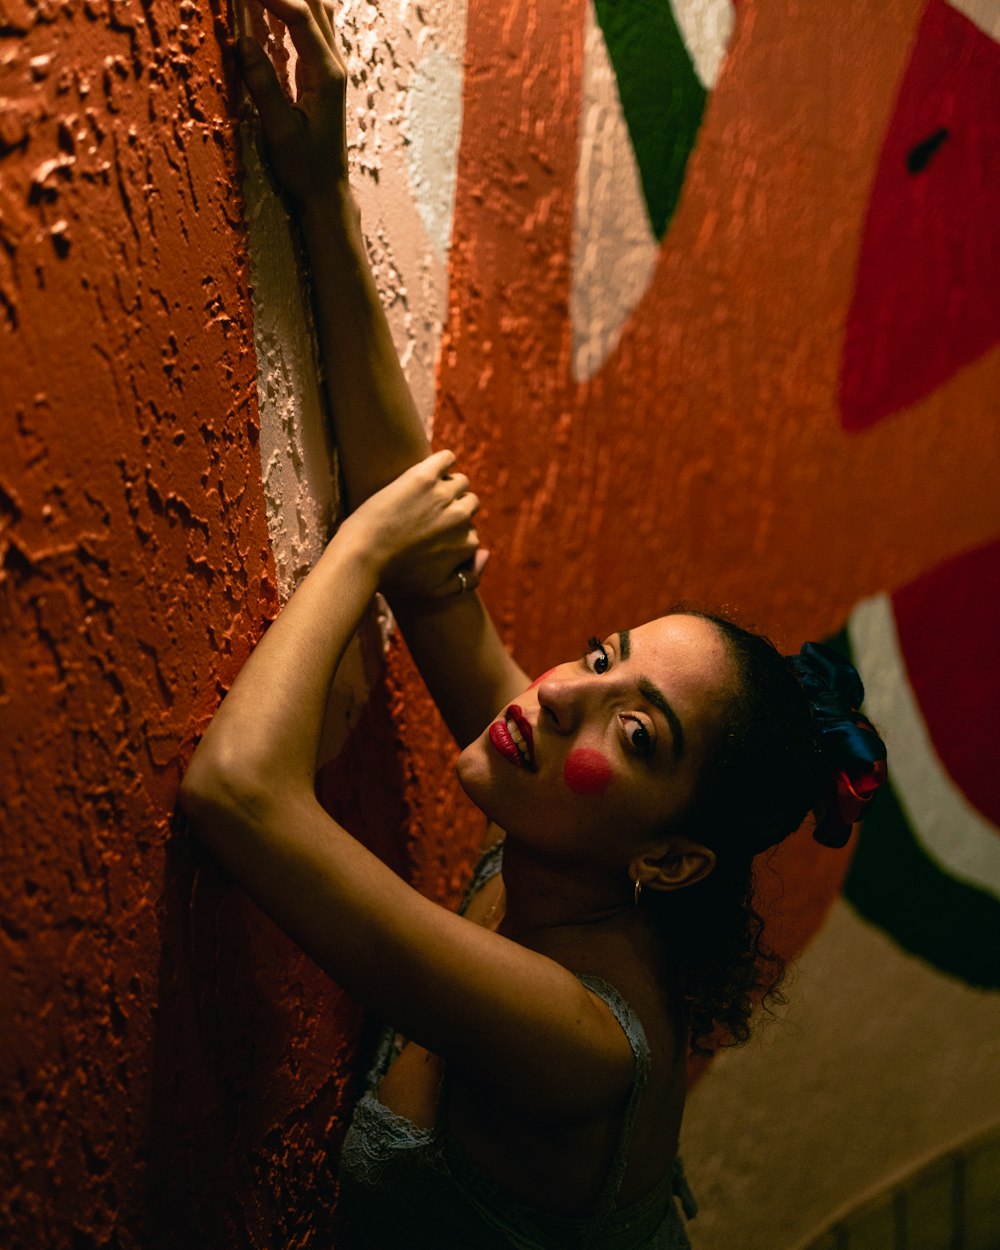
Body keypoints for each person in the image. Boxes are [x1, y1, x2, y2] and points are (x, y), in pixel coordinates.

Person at [180, 2, 888, 1246]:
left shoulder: (576, 1036)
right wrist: (318, 194)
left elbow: (239, 792)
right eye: (605, 657)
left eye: (639, 728)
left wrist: (358, 545)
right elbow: (435, 571)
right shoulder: (567, 836)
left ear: (670, 858)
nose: (563, 689)